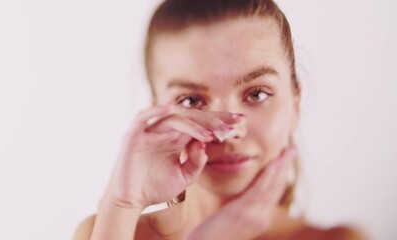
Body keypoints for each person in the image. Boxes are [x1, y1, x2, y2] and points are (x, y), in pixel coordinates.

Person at [73, 0, 365, 239]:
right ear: (156, 116)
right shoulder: (106, 231)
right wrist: (121, 204)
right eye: (192, 101)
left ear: (295, 102)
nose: (228, 132)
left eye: (257, 94)